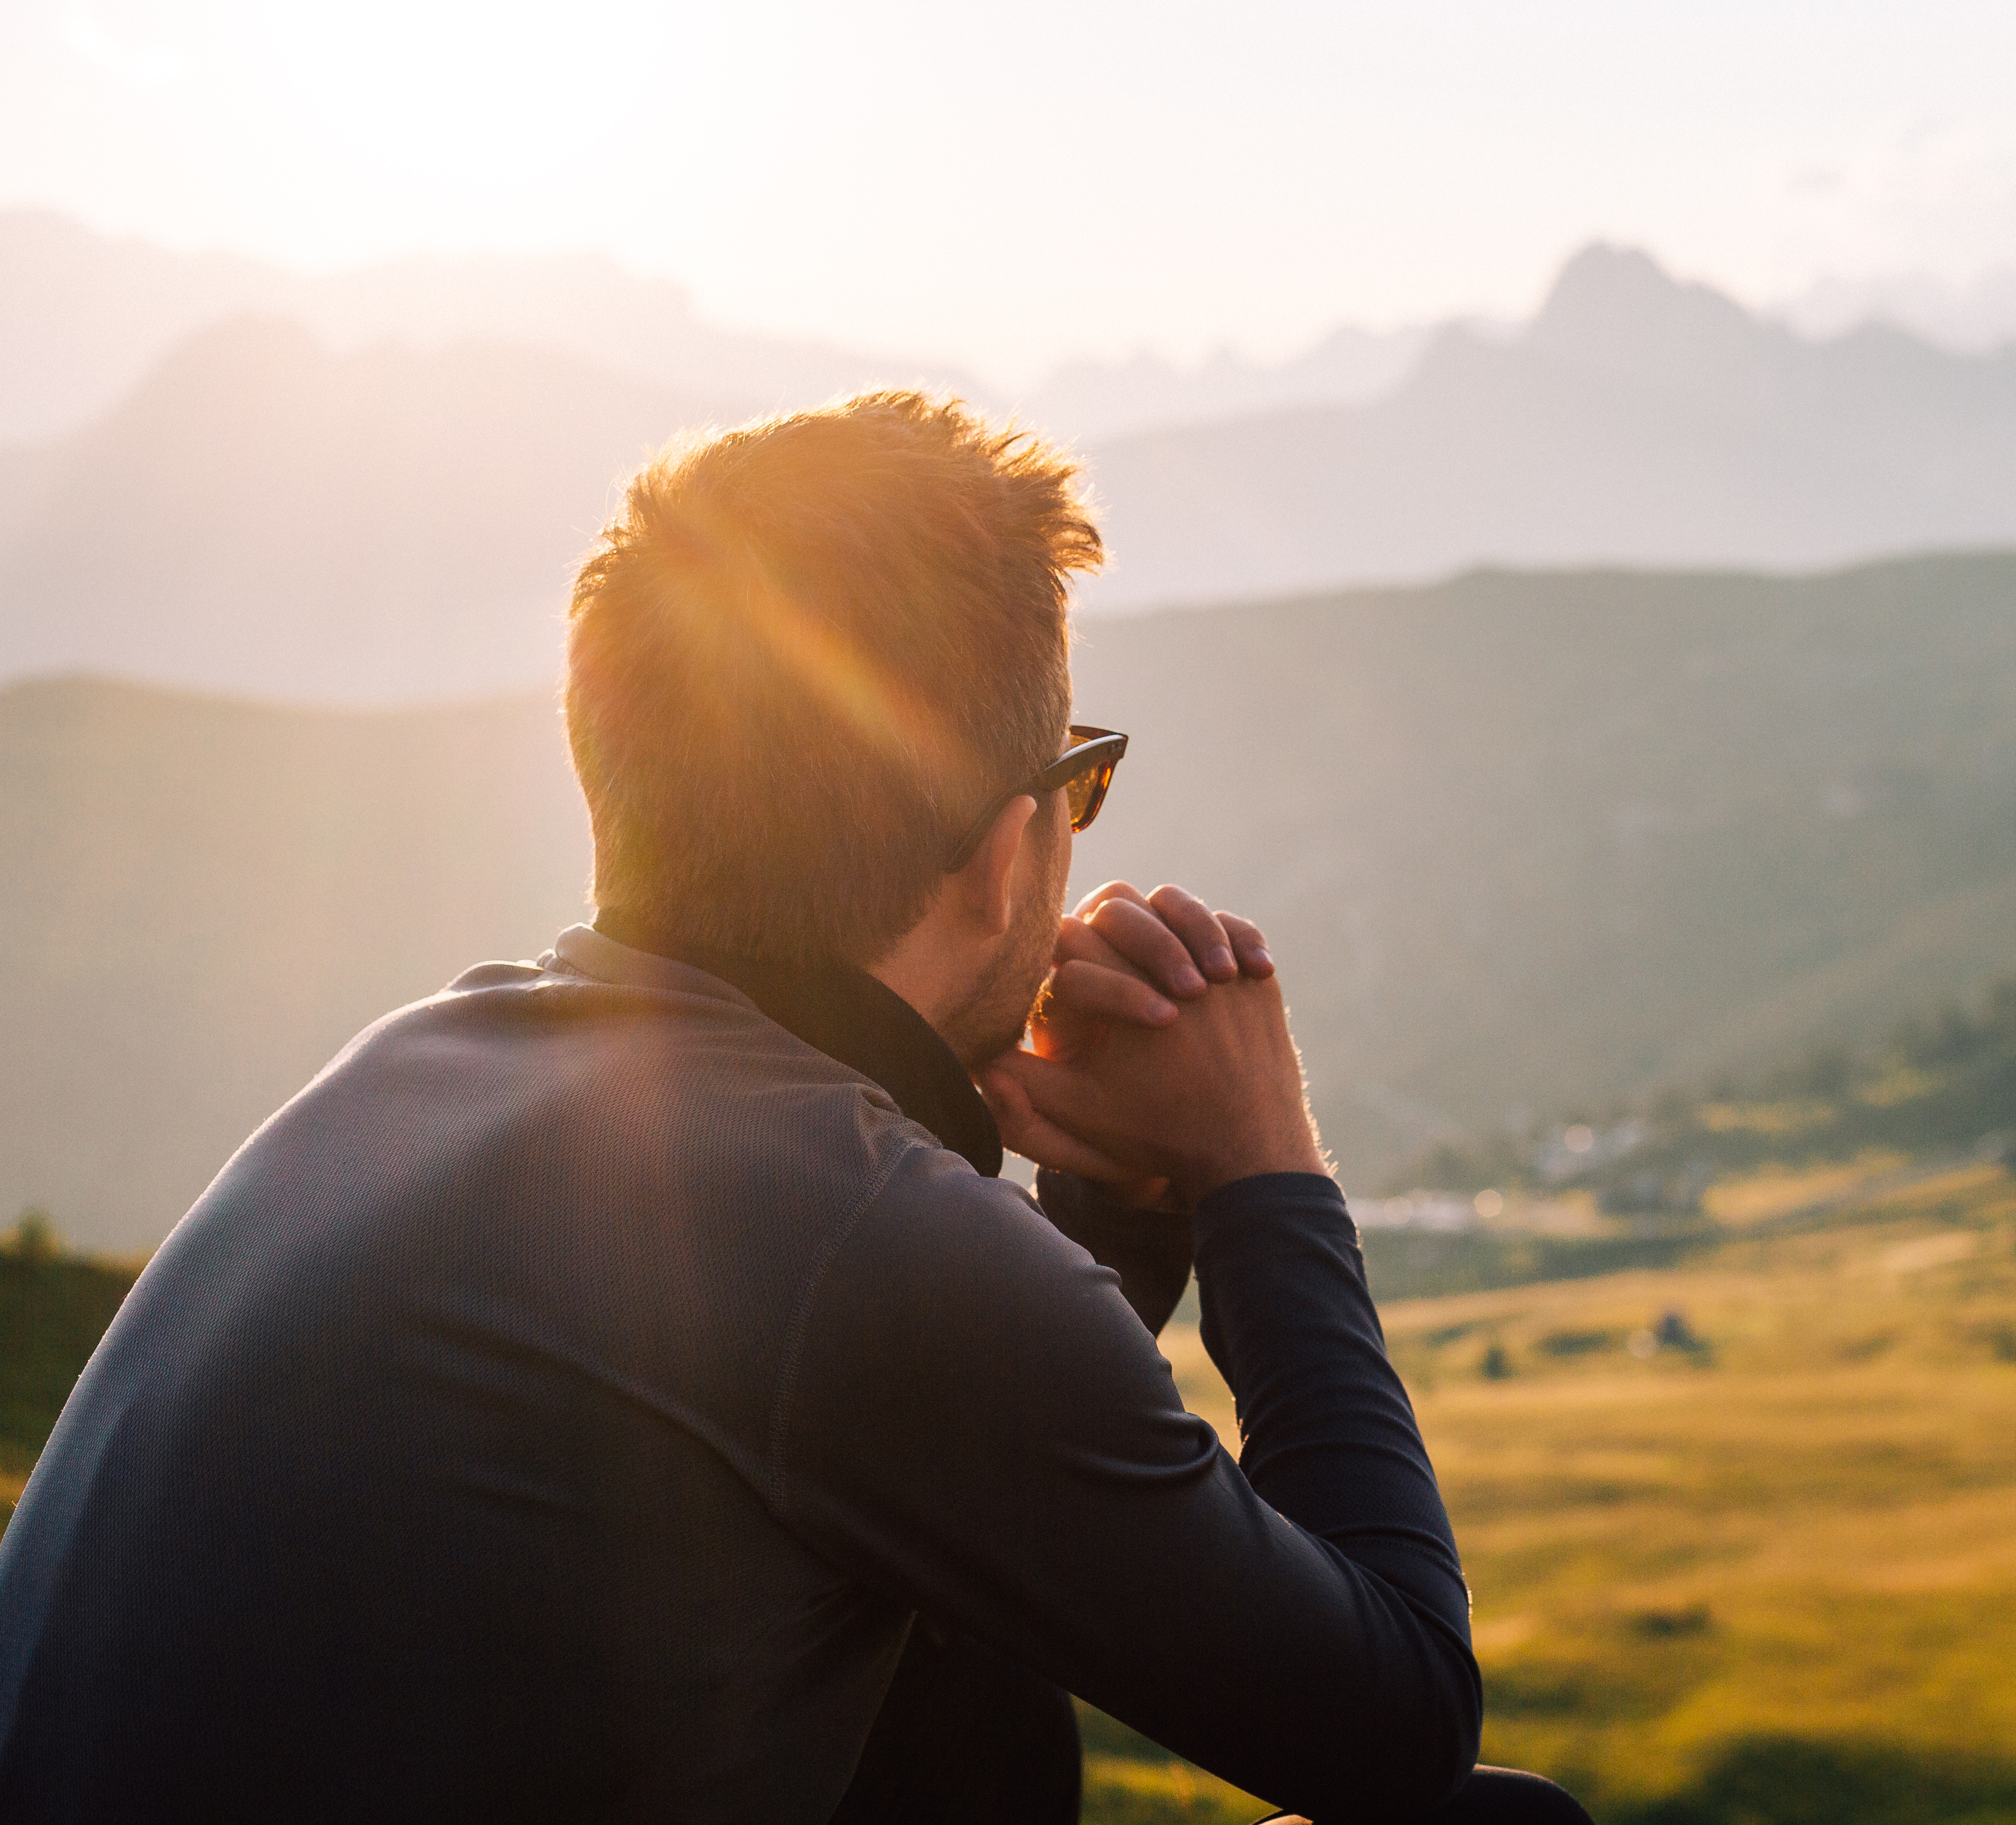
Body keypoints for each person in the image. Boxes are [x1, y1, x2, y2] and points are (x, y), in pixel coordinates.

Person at [0, 392, 1587, 1825]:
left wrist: (1106, 1226)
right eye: (1078, 787)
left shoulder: (411, 1069)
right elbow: (1396, 1733)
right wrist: (1263, 1176)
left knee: (938, 1703)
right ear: (1001, 851)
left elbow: (902, 1489)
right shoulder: (851, 1229)